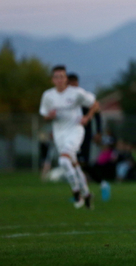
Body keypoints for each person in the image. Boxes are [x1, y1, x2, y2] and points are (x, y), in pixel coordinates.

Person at [39, 65, 100, 209]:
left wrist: (87, 117)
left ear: (66, 79)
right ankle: (87, 194)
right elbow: (44, 115)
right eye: (56, 77)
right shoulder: (48, 96)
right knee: (73, 164)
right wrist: (50, 116)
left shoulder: (76, 93)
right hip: (59, 134)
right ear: (52, 79)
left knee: (63, 160)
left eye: (62, 76)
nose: (59, 79)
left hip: (75, 131)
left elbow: (95, 104)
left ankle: (76, 193)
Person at [67, 73, 102, 169]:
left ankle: (83, 175)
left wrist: (99, 131)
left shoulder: (84, 96)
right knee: (71, 154)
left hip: (85, 131)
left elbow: (97, 110)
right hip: (70, 131)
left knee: (84, 155)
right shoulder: (66, 98)